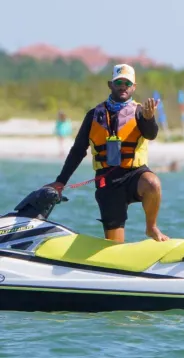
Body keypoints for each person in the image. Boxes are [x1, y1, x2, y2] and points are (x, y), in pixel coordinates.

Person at [45, 64, 168, 243]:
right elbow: (78, 150)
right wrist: (61, 181)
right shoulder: (93, 115)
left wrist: (149, 120)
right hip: (107, 182)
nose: (123, 86)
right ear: (110, 84)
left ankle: (151, 227)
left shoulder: (141, 112)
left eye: (127, 83)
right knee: (114, 244)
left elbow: (151, 134)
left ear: (134, 87)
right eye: (119, 82)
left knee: (153, 183)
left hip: (134, 174)